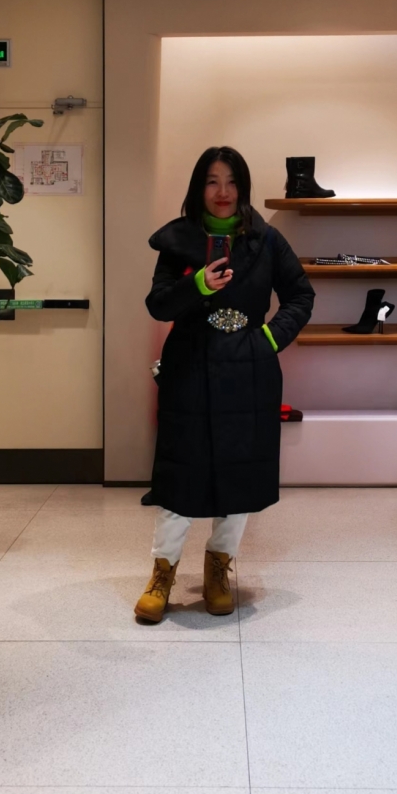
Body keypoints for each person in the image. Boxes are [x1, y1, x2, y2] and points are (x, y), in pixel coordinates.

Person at [134, 146, 315, 623]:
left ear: (243, 187)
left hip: (247, 372)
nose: (223, 192)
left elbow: (301, 294)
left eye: (232, 181)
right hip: (189, 369)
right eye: (213, 181)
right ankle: (162, 573)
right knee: (180, 471)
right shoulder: (177, 240)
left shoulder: (267, 240)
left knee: (239, 472)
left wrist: (269, 339)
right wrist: (196, 286)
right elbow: (157, 305)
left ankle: (218, 568)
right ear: (199, 187)